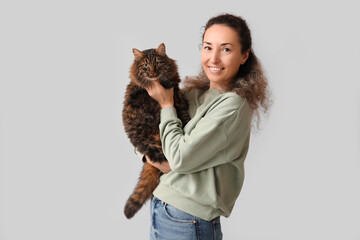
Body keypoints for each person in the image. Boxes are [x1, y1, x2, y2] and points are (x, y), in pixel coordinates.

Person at [142, 13, 271, 240]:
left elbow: (178, 158)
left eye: (226, 49)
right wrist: (158, 159)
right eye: (208, 47)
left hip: (188, 219)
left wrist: (165, 104)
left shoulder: (233, 105)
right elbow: (146, 137)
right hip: (161, 209)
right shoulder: (194, 93)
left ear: (244, 55)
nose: (214, 58)